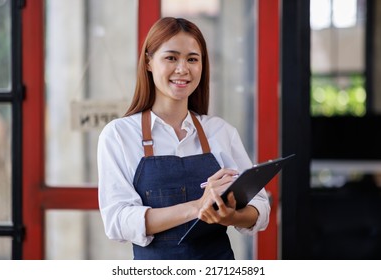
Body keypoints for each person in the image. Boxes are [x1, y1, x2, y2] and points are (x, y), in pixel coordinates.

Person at [97, 17, 270, 260]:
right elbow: (117, 221)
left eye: (192, 59)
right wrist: (198, 207)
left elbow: (260, 207)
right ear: (148, 62)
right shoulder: (119, 135)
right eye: (171, 57)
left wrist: (230, 215)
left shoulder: (220, 131)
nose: (183, 69)